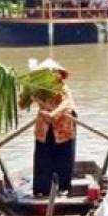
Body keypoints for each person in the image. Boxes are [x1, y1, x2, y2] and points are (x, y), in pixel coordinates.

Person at [29, 58, 76, 196]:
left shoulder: (62, 87)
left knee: (63, 156)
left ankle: (62, 188)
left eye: (53, 73)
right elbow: (21, 103)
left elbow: (65, 103)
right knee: (42, 156)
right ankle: (42, 190)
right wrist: (31, 97)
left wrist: (53, 114)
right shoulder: (38, 89)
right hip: (44, 127)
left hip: (62, 126)